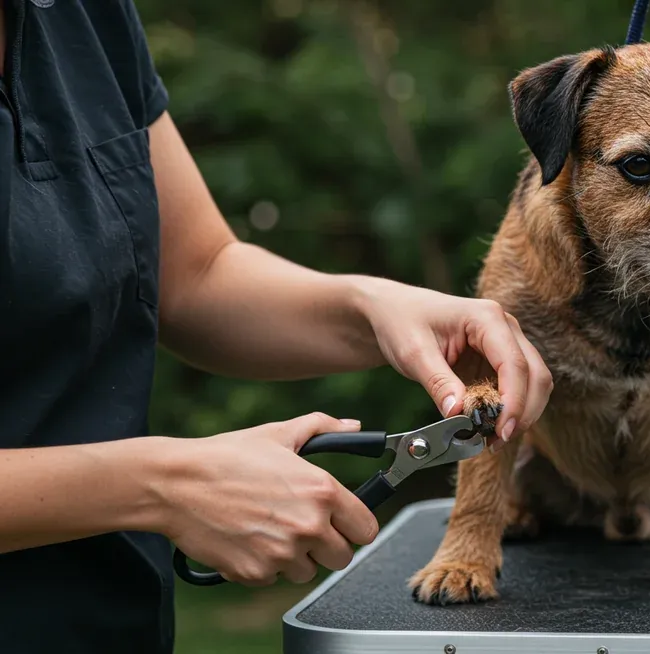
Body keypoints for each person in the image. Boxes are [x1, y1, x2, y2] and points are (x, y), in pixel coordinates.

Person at [0, 1, 552, 652]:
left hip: (107, 620)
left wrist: (375, 308)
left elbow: (194, 273)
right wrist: (158, 485)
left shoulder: (81, 17)